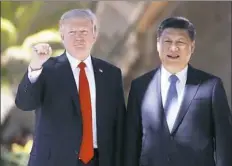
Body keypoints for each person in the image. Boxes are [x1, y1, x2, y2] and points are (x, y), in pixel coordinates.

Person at [15, 9, 126, 166]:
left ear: (94, 34)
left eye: (84, 31)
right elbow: (24, 103)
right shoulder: (46, 69)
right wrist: (34, 67)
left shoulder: (110, 74)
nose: (78, 37)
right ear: (62, 35)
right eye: (72, 32)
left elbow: (120, 124)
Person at [124, 16, 232, 166]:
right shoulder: (140, 87)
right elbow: (131, 145)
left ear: (192, 47)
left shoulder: (210, 87)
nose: (173, 48)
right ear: (157, 45)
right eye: (167, 41)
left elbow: (225, 145)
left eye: (180, 42)